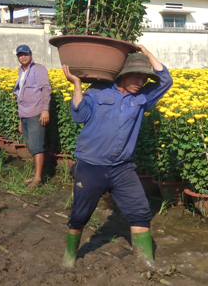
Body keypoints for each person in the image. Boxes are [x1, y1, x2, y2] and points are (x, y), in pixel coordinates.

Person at [61, 45, 173, 269]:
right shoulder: (98, 91)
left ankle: (146, 261)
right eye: (137, 76)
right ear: (122, 74)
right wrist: (77, 85)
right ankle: (70, 255)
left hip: (122, 168)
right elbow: (79, 115)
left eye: (144, 78)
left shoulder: (142, 98)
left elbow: (166, 80)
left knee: (140, 212)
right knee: (80, 216)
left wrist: (145, 51)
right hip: (91, 166)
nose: (141, 83)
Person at [13, 45, 52, 189]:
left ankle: (38, 179)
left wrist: (45, 110)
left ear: (31, 54)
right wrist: (20, 119)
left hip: (36, 112)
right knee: (31, 145)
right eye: (20, 55)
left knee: (37, 146)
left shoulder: (38, 69)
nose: (23, 57)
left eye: (26, 54)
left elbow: (46, 89)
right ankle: (36, 175)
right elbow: (21, 95)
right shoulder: (21, 71)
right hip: (25, 114)